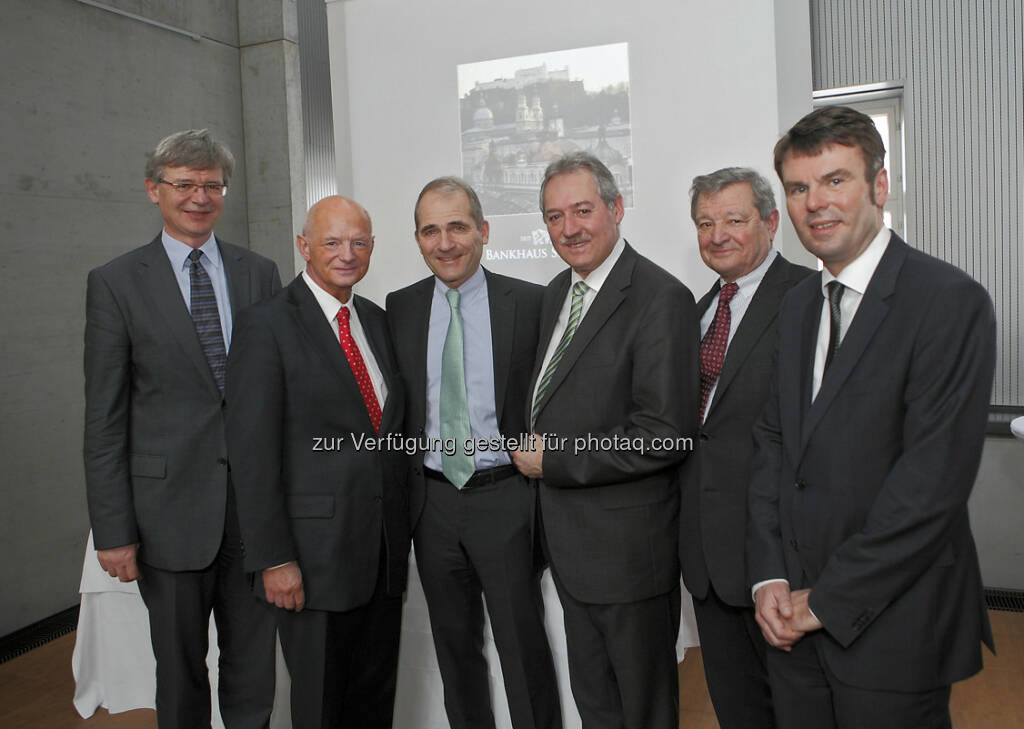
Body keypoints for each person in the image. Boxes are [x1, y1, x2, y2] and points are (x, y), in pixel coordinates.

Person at [747, 105, 996, 729]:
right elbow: (774, 447)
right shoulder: (798, 304)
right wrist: (768, 577)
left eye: (836, 180)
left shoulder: (948, 301)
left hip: (893, 626)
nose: (815, 203)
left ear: (879, 186)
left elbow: (930, 486)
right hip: (791, 624)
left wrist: (825, 602)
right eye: (799, 188)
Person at [83, 129, 280, 729]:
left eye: (212, 185)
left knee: (253, 673)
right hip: (165, 518)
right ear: (154, 189)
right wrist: (112, 532)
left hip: (252, 518)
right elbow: (105, 417)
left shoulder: (259, 273)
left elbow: (275, 395)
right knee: (180, 674)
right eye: (184, 184)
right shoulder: (116, 283)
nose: (199, 197)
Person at [511, 152, 699, 729]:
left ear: (616, 209)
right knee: (597, 709)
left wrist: (555, 461)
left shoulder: (659, 298)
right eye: (553, 216)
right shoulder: (555, 296)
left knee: (641, 712)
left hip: (628, 559)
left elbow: (665, 437)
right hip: (572, 554)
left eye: (583, 210)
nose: (568, 228)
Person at [225, 196, 409, 729]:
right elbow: (252, 455)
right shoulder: (266, 326)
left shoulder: (376, 321)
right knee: (322, 705)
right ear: (304, 247)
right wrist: (274, 559)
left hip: (380, 553)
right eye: (331, 242)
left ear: (372, 248)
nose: (346, 254)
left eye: (358, 242)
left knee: (374, 699)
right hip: (310, 562)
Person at [386, 177, 562, 729]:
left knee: (521, 647)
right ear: (417, 239)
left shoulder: (530, 303)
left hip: (506, 498)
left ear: (483, 232)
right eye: (431, 230)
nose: (446, 242)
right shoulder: (400, 309)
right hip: (433, 505)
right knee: (454, 649)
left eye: (458, 226)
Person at [679, 167, 813, 729]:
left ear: (771, 222)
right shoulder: (697, 309)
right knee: (739, 712)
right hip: (709, 560)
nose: (717, 236)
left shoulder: (808, 299)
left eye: (734, 220)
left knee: (799, 712)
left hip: (780, 563)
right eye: (705, 223)